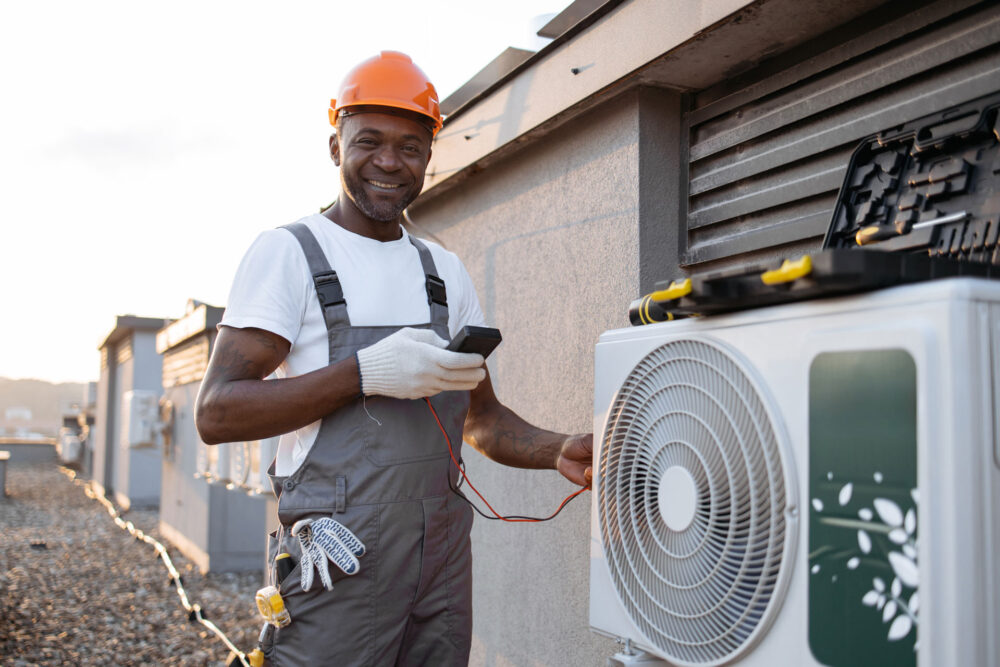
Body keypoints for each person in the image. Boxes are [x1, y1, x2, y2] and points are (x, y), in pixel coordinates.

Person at [195, 50, 593, 666]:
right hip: (339, 551)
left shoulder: (443, 272)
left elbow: (479, 419)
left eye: (410, 145)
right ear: (336, 146)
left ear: (429, 157)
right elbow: (217, 413)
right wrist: (364, 374)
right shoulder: (291, 254)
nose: (389, 161)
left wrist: (555, 449)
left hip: (440, 560)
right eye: (369, 140)